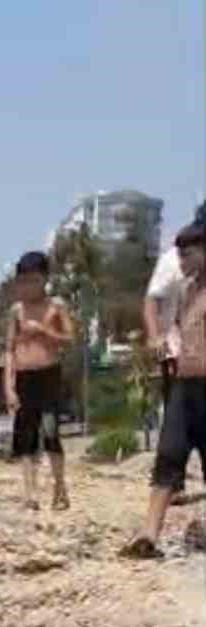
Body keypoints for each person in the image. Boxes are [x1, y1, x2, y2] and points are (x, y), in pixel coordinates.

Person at [136, 223, 206, 558]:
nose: (181, 262)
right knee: (168, 455)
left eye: (188, 254)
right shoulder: (187, 290)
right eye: (179, 255)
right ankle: (149, 537)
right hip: (184, 384)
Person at [3, 251, 73, 512]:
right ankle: (30, 494)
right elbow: (9, 349)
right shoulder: (16, 311)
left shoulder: (56, 306)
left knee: (51, 431)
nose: (27, 287)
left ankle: (59, 487)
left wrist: (44, 331)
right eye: (23, 281)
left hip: (49, 372)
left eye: (33, 280)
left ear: (44, 279)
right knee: (25, 436)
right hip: (24, 375)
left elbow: (69, 338)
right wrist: (8, 386)